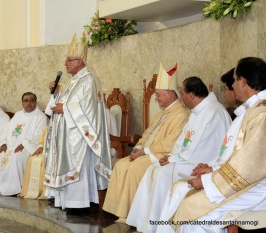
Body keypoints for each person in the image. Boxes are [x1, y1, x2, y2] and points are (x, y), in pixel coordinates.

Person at [170, 57, 266, 233]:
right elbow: (239, 157)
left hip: (258, 189)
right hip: (247, 182)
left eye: (235, 79)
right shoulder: (253, 110)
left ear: (243, 82)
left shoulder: (261, 115)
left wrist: (208, 181)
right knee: (187, 199)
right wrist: (213, 170)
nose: (234, 85)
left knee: (193, 211)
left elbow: (248, 168)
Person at [126, 76, 231, 232]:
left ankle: (161, 227)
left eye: (181, 93)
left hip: (202, 162)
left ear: (191, 94)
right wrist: (171, 156)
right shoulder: (197, 112)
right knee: (152, 169)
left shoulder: (213, 112)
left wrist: (173, 158)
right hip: (188, 159)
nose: (180, 96)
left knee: (162, 174)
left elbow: (200, 146)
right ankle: (145, 223)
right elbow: (183, 140)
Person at [102, 63, 190, 222]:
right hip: (146, 152)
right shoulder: (162, 114)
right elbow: (146, 134)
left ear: (170, 93)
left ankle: (132, 214)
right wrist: (137, 148)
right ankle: (119, 211)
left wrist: (144, 151)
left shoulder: (181, 114)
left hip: (160, 156)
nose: (156, 98)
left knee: (135, 168)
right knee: (122, 165)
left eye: (158, 95)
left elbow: (171, 143)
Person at [43, 35, 112, 211]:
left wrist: (64, 109)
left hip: (79, 135)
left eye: (69, 60)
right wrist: (57, 94)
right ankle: (65, 201)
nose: (65, 63)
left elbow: (88, 109)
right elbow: (67, 102)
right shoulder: (74, 80)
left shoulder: (89, 79)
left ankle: (79, 204)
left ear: (79, 61)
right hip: (68, 131)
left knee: (77, 165)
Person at [0, 92, 47, 196]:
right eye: (26, 100)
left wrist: (24, 145)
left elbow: (39, 134)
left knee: (16, 158)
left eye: (32, 100)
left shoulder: (41, 117)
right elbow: (6, 130)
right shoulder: (18, 115)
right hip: (10, 147)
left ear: (35, 102)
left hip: (28, 148)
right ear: (22, 103)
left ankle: (15, 189)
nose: (29, 103)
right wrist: (3, 144)